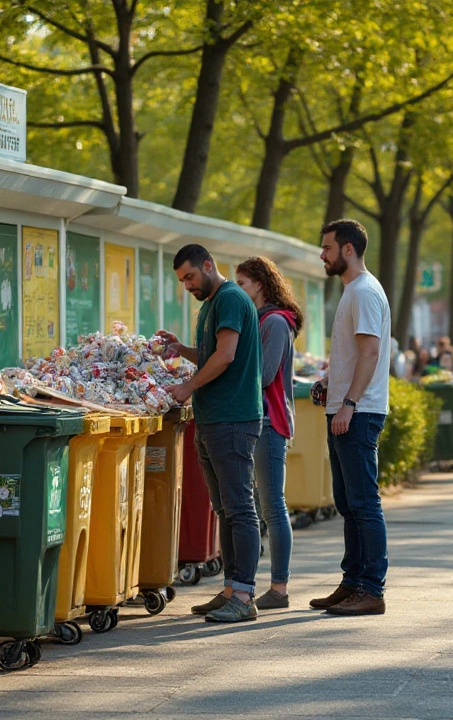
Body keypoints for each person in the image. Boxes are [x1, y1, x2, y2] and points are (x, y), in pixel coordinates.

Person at [159, 244, 264, 623]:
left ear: (208, 265)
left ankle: (245, 594)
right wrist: (181, 349)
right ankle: (232, 588)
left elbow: (226, 355)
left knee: (239, 508)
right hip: (213, 419)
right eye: (182, 280)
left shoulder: (231, 299)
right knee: (224, 509)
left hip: (232, 419)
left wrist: (187, 388)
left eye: (189, 276)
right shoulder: (212, 304)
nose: (186, 285)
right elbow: (210, 354)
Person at [309, 219, 391, 616]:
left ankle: (372, 589)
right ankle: (353, 581)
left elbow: (371, 352)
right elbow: (354, 354)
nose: (321, 255)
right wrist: (330, 382)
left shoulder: (363, 292)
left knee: (363, 503)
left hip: (358, 413)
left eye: (326, 247)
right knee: (348, 502)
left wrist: (350, 403)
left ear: (347, 249)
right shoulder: (352, 292)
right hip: (346, 408)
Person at [235, 257, 302, 610]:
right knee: (264, 505)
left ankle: (279, 588)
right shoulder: (261, 320)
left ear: (260, 284)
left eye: (243, 284)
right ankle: (272, 586)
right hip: (260, 419)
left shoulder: (274, 322)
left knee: (273, 506)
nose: (240, 291)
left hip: (270, 420)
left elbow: (263, 375)